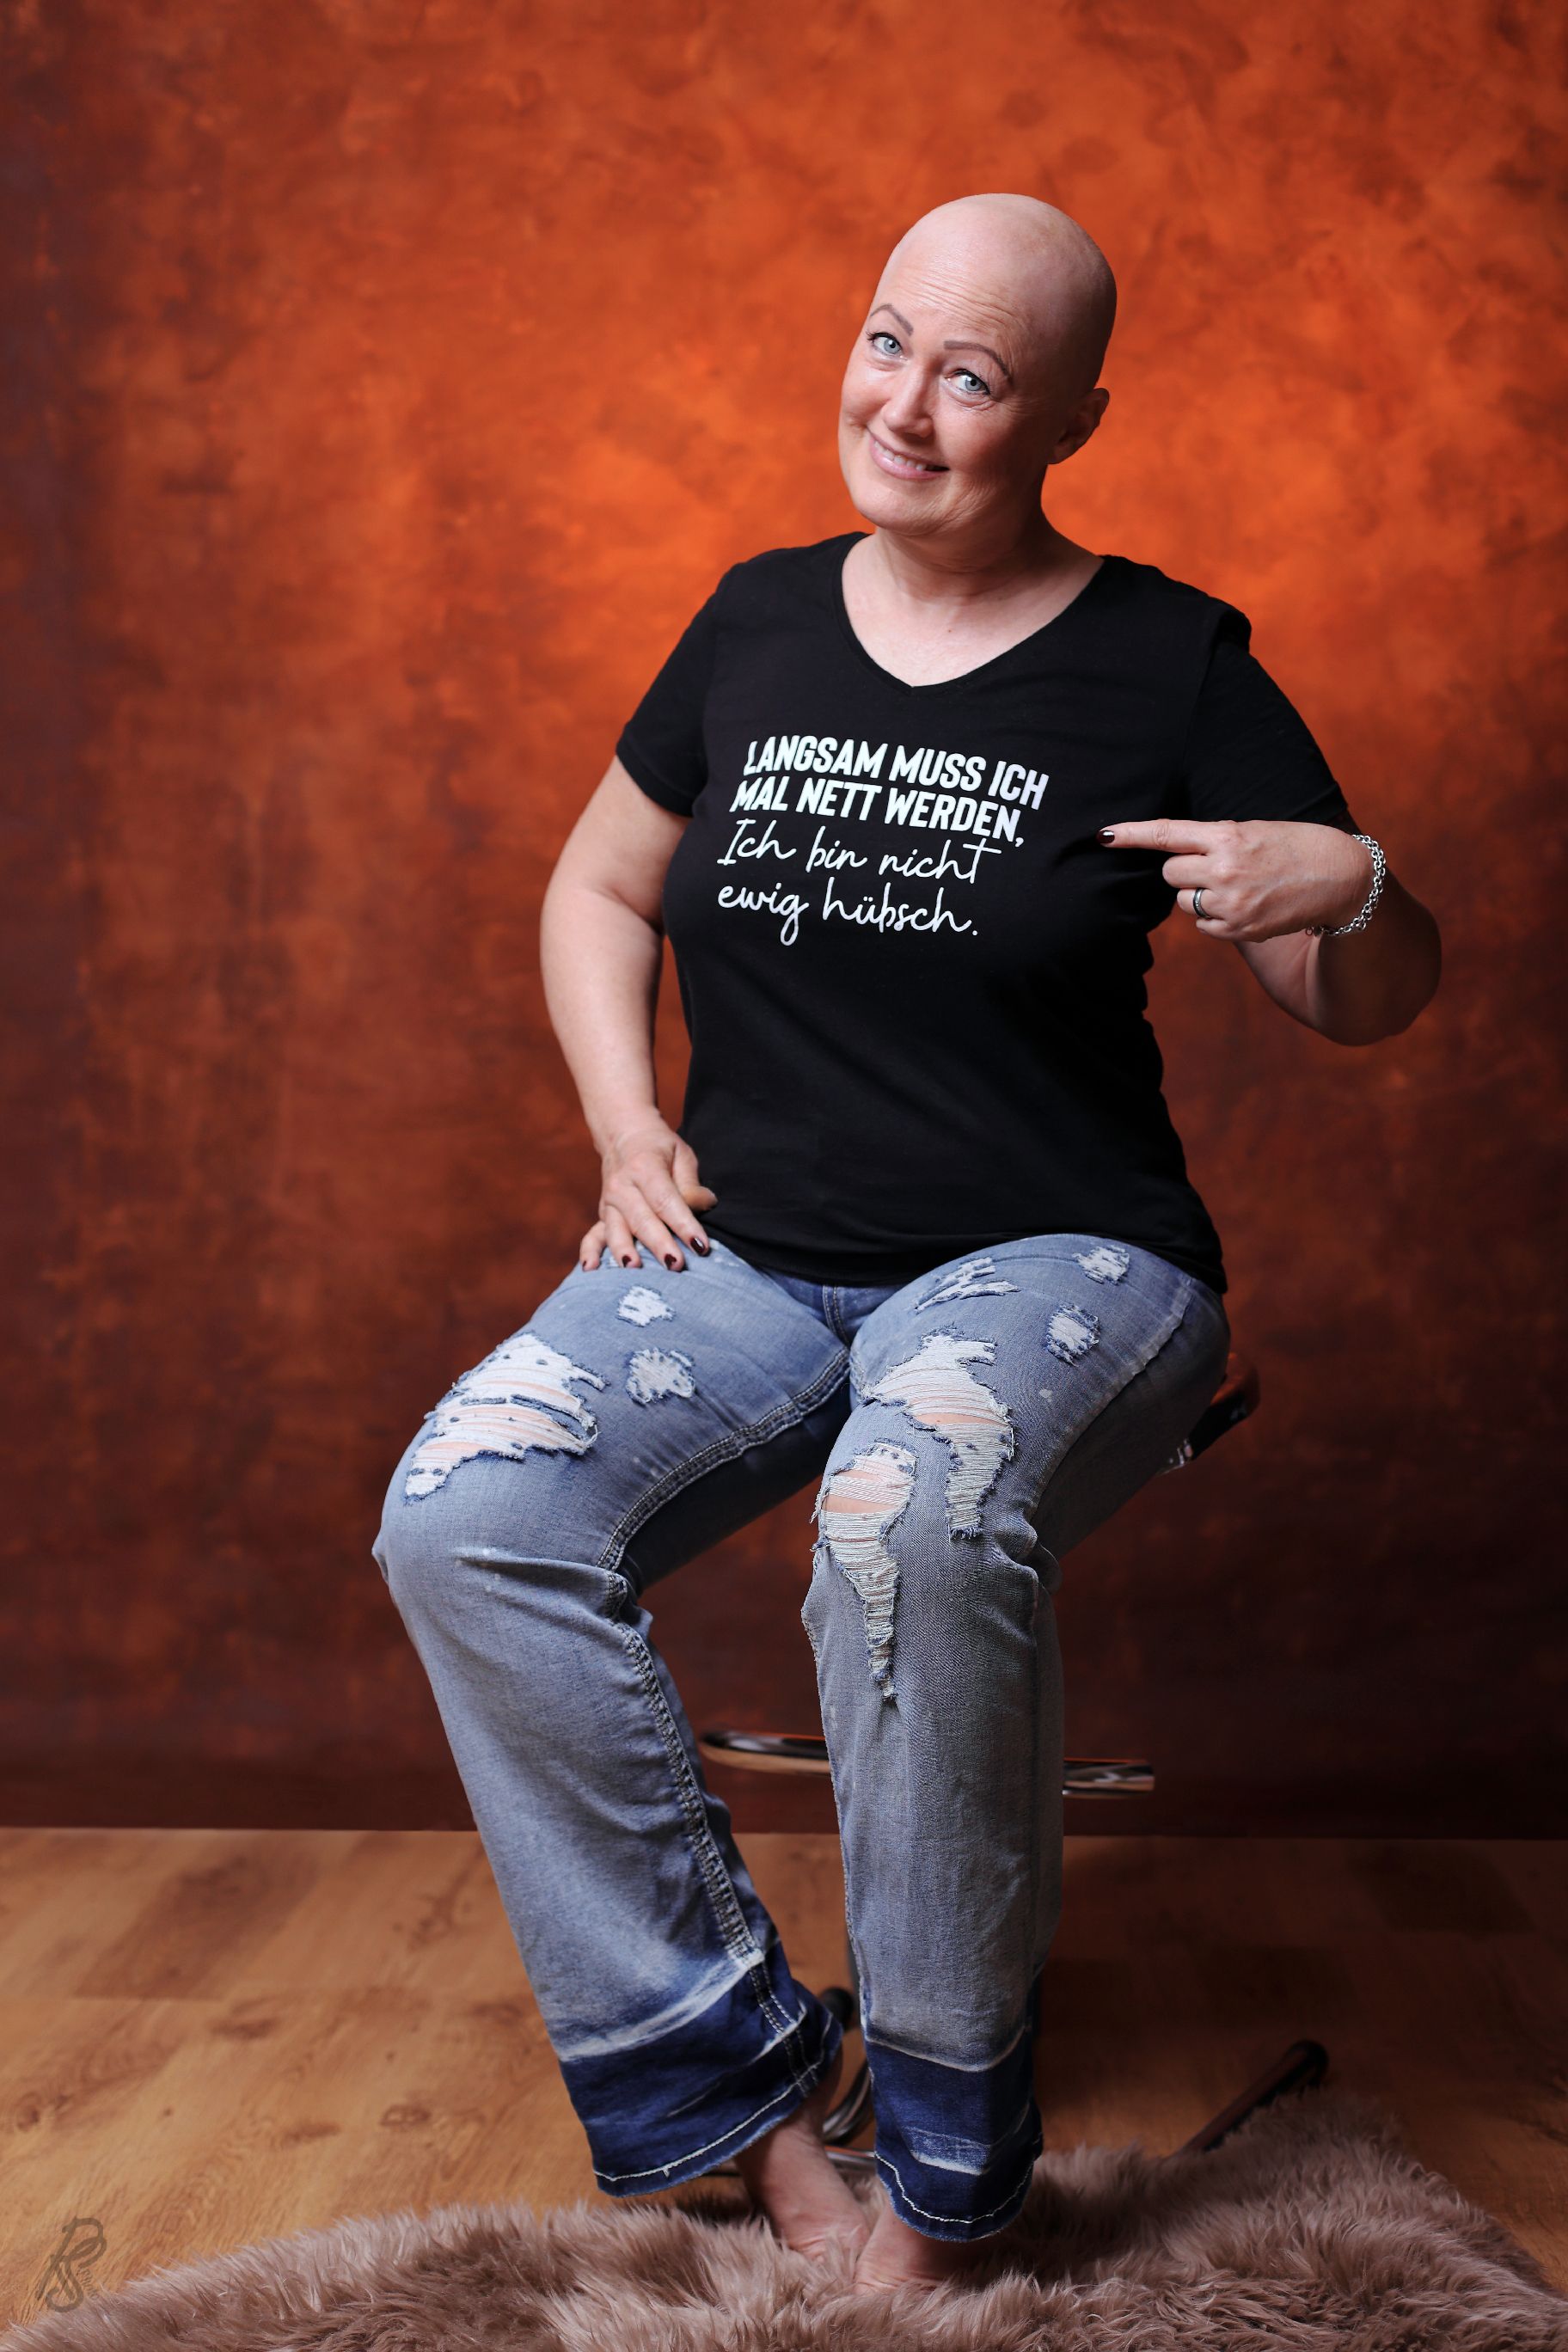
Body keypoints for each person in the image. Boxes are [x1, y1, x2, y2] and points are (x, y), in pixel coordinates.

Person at [372, 192, 1441, 2300]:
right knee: (464, 1512)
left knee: (906, 1515)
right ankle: (764, 2112)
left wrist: (1361, 879)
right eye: (888, 343)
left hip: (1065, 1261)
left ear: (1070, 422)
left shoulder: (1169, 660)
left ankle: (951, 2193)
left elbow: (1358, 995)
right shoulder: (757, 620)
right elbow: (597, 888)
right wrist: (628, 1126)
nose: (908, 405)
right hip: (753, 1257)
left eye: (975, 375)